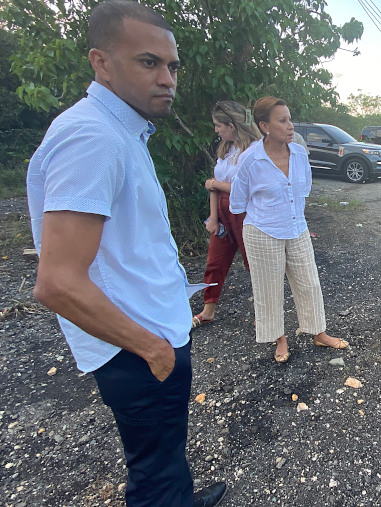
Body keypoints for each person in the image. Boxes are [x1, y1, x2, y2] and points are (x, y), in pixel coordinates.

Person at [26, 1, 226, 505]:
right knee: (153, 479)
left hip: (149, 330)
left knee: (163, 454)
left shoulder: (118, 129)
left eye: (172, 66)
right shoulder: (92, 137)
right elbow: (57, 282)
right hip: (135, 346)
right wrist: (152, 348)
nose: (167, 78)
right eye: (148, 62)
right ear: (102, 62)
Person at [229, 96, 348, 363]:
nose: (290, 126)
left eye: (289, 119)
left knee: (309, 283)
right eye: (282, 120)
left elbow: (303, 190)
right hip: (262, 231)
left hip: (296, 227)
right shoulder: (250, 160)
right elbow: (238, 203)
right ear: (264, 126)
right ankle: (280, 339)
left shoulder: (298, 153)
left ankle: (319, 332)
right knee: (268, 289)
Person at [193, 101, 260, 328]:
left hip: (243, 212)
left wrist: (214, 183)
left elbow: (245, 189)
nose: (216, 130)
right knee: (215, 260)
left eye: (218, 125)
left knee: (254, 263)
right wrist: (213, 218)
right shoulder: (226, 150)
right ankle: (208, 310)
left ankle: (266, 314)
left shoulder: (253, 150)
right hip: (222, 211)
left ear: (231, 125)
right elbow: (214, 186)